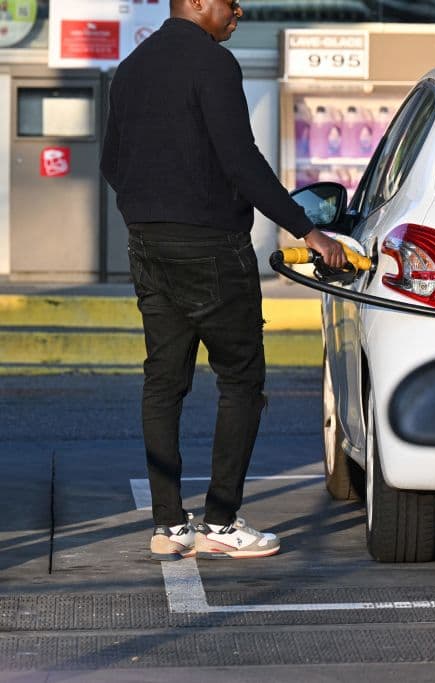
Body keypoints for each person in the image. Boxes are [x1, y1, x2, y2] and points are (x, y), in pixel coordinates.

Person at [100, 0, 348, 561]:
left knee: (164, 382)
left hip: (147, 244)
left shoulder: (132, 66)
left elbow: (111, 163)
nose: (238, 13)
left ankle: (169, 526)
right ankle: (220, 521)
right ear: (195, 4)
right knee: (240, 380)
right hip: (212, 246)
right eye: (230, 4)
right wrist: (307, 230)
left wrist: (148, 211)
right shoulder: (213, 64)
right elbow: (240, 160)